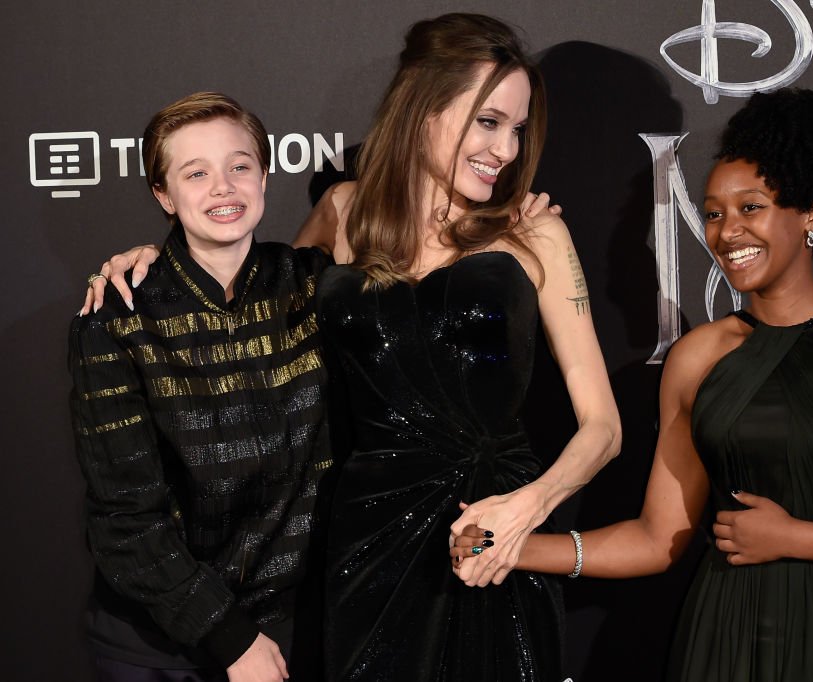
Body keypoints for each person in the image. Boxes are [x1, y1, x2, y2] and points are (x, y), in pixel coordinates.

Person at [82, 13, 618, 681]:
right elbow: (246, 297)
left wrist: (526, 509)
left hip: (491, 534)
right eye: (488, 121)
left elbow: (604, 427)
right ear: (423, 108)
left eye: (517, 128)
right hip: (368, 539)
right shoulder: (343, 214)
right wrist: (148, 262)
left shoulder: (535, 234)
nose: (506, 149)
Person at [452, 89, 813, 682]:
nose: (728, 232)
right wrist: (512, 547)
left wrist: (793, 538)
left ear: (811, 212)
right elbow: (658, 540)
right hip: (730, 638)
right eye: (712, 213)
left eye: (751, 208)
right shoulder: (698, 357)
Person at [70, 92, 334, 681]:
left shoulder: (317, 289)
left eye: (239, 166)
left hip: (293, 628)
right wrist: (231, 640)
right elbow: (124, 519)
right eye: (196, 172)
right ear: (163, 194)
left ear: (264, 175)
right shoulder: (118, 317)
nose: (223, 187)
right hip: (161, 643)